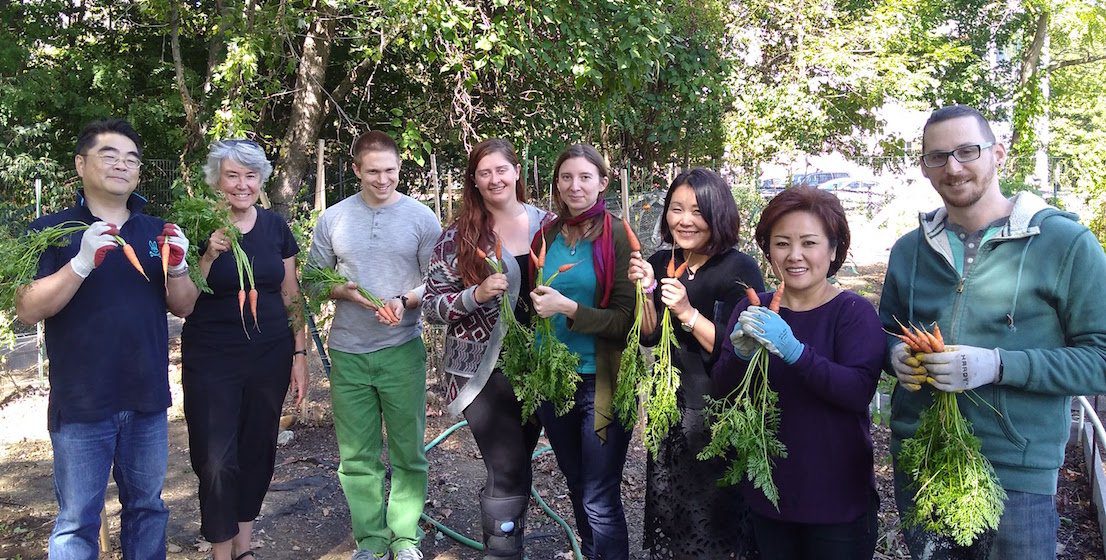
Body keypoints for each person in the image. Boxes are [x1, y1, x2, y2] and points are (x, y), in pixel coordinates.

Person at [879, 105, 1106, 559]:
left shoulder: (1065, 244)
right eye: (938, 156)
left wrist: (998, 365)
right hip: (923, 460)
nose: (953, 167)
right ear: (924, 167)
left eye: (967, 151)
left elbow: (1100, 359)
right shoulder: (909, 250)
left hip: (1016, 474)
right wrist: (894, 356)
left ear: (998, 153)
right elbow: (886, 331)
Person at [15, 118, 199, 558]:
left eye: (131, 159)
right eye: (109, 155)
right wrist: (80, 263)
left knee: (148, 508)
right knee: (77, 520)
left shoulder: (156, 230)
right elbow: (27, 309)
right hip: (82, 401)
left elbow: (185, 306)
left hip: (147, 397)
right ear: (81, 164)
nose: (122, 165)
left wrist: (178, 267)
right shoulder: (50, 231)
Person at [713, 186, 884, 560]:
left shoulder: (853, 313)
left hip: (837, 501)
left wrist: (795, 352)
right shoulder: (753, 309)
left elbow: (857, 391)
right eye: (782, 243)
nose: (794, 255)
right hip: (770, 492)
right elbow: (723, 390)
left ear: (834, 249)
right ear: (768, 250)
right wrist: (739, 355)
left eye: (809, 243)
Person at [307, 130, 441, 560]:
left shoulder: (421, 218)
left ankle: (404, 537)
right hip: (348, 351)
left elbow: (438, 281)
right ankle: (370, 540)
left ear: (400, 167)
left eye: (390, 171)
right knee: (357, 456)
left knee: (408, 451)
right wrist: (341, 292)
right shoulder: (333, 219)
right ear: (356, 170)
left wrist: (405, 300)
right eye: (373, 172)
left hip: (402, 349)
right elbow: (313, 280)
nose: (383, 179)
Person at [422, 139, 554, 559]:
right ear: (474, 181)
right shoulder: (457, 237)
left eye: (501, 169)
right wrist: (474, 296)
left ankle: (508, 539)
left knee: (519, 461)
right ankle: (502, 551)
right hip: (481, 370)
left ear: (517, 172)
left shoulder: (550, 226)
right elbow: (431, 306)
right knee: (507, 466)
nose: (495, 179)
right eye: (484, 173)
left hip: (542, 365)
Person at [179, 140, 308, 560]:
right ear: (216, 180)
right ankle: (220, 551)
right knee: (215, 458)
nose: (242, 184)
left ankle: (243, 548)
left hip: (269, 355)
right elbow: (181, 302)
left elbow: (291, 295)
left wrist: (300, 355)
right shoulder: (196, 226)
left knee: (257, 449)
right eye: (232, 175)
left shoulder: (275, 228)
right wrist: (207, 254)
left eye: (250, 176)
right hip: (211, 358)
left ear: (261, 180)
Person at [627, 168, 764, 559]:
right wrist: (646, 292)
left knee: (715, 518)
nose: (684, 220)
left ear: (718, 215)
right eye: (676, 209)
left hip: (719, 410)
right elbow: (648, 335)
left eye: (698, 211)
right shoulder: (661, 260)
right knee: (673, 511)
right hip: (670, 405)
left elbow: (740, 349)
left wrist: (687, 313)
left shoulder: (739, 270)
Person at [530, 144, 635, 560]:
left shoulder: (617, 236)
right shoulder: (547, 235)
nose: (575, 186)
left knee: (599, 492)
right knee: (576, 483)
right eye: (566, 177)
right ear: (557, 184)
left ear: (603, 183)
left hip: (600, 378)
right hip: (553, 378)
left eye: (585, 177)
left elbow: (625, 320)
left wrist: (569, 309)